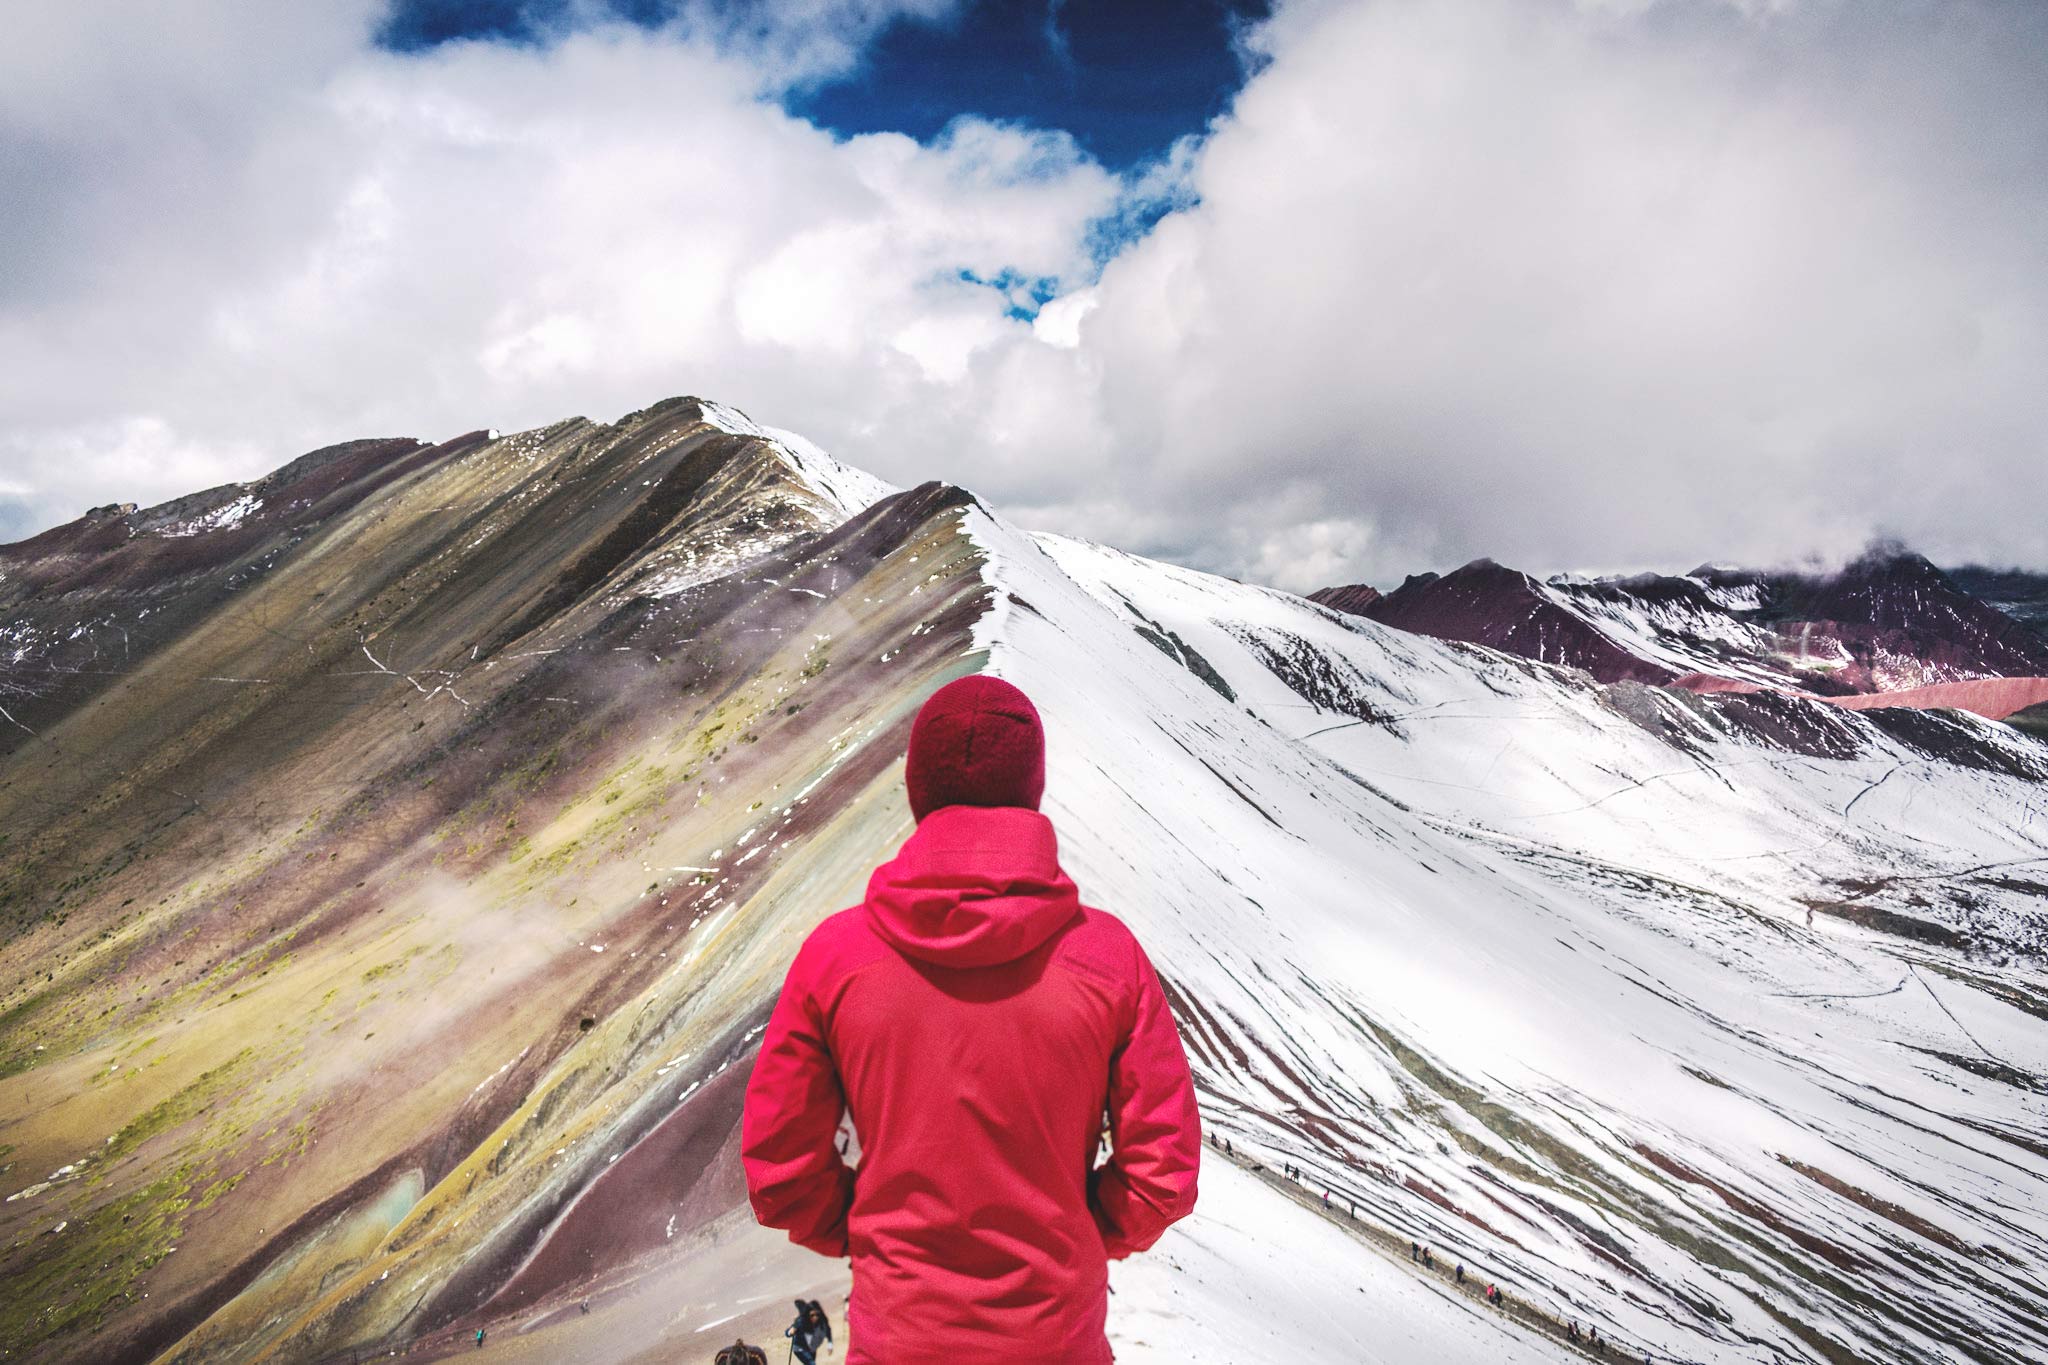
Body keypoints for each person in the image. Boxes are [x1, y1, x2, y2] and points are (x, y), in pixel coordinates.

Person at [743, 676, 1203, 1365]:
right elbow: (1162, 1171)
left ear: (915, 788)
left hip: (898, 1338)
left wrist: (873, 1235)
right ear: (1032, 788)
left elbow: (779, 1167)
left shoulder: (835, 957)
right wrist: (1077, 1232)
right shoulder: (1108, 957)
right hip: (1057, 1339)